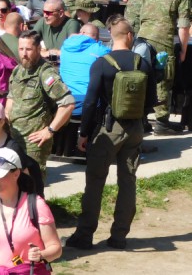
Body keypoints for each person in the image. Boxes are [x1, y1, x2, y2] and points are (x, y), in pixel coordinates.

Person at [66, 19, 155, 250]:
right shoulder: (142, 63)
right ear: (129, 36)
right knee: (128, 181)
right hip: (134, 128)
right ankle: (119, 237)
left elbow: (90, 102)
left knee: (95, 182)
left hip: (107, 128)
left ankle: (85, 236)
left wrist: (84, 132)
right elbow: (152, 101)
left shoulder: (101, 64)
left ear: (110, 36)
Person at [6, 30, 76, 180]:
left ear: (39, 50)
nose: (24, 53)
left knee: (33, 184)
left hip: (34, 142)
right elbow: (11, 97)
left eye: (29, 49)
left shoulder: (46, 73)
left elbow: (68, 103)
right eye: (21, 49)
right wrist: (6, 116)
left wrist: (50, 130)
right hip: (14, 137)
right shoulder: (18, 71)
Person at [137, 0, 192, 134]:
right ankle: (162, 122)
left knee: (143, 77)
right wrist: (183, 50)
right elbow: (184, 26)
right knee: (163, 79)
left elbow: (140, 16)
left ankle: (143, 120)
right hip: (162, 40)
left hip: (142, 37)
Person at [59, 24, 111, 117]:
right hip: (86, 102)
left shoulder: (65, 46)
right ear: (96, 39)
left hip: (63, 100)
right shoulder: (99, 49)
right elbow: (112, 57)